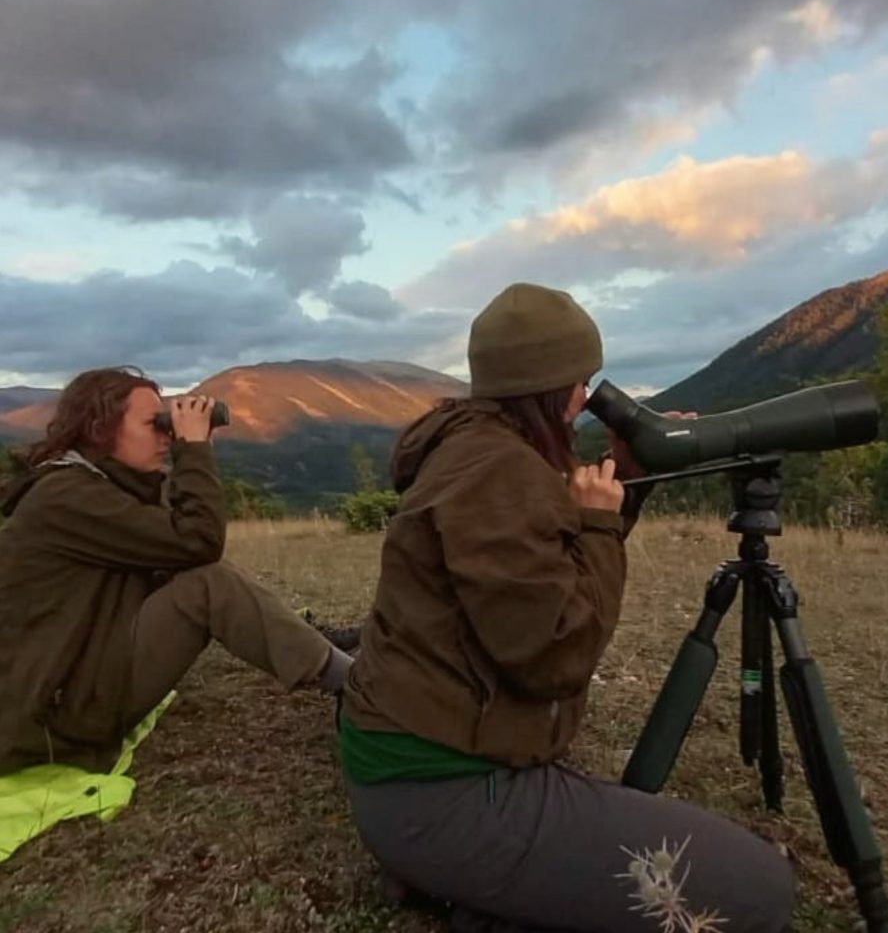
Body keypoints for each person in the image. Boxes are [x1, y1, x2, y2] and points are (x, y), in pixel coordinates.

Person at [340, 284, 795, 933]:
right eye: (580, 384)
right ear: (547, 388)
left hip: (418, 775)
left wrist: (625, 482)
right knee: (759, 892)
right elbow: (555, 653)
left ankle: (476, 884)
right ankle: (468, 878)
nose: (586, 401)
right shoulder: (495, 475)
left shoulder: (481, 448)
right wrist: (600, 527)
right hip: (441, 792)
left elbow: (543, 576)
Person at [0, 366, 352, 776]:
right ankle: (359, 686)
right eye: (154, 424)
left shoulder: (98, 486)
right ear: (100, 428)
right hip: (53, 718)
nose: (166, 435)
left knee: (194, 576)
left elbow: (180, 549)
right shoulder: (64, 497)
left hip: (66, 691)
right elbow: (199, 541)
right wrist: (193, 449)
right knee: (208, 585)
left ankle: (319, 646)